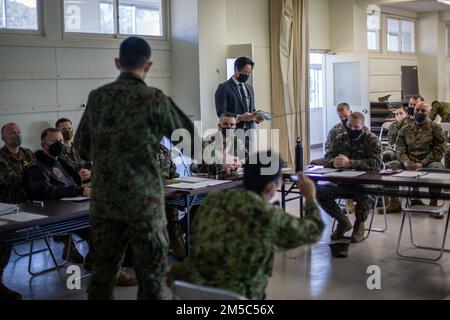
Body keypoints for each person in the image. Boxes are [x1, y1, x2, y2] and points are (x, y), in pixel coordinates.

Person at [74, 36, 195, 300]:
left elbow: (81, 148)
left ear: (118, 62)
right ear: (148, 65)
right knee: (151, 278)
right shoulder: (154, 99)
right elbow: (188, 139)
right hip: (144, 203)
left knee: (103, 275)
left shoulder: (97, 98)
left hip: (106, 202)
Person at [167, 153, 324, 300]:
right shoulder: (267, 215)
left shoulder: (212, 199)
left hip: (191, 289)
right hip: (236, 295)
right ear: (271, 188)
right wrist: (310, 198)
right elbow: (314, 230)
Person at [22, 128, 92, 264]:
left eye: (60, 141)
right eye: (54, 141)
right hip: (53, 216)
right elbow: (46, 191)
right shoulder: (35, 168)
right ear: (43, 145)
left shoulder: (60, 162)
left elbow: (70, 184)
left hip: (72, 211)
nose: (59, 144)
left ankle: (96, 263)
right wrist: (78, 190)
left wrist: (83, 187)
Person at [317, 112, 382, 243]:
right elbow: (327, 157)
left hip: (365, 181)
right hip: (343, 181)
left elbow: (376, 163)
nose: (352, 130)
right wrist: (332, 163)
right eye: (349, 126)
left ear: (363, 127)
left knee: (365, 193)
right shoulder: (340, 138)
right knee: (321, 192)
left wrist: (351, 163)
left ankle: (359, 224)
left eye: (356, 127)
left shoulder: (372, 140)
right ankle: (343, 221)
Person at [385, 102, 447, 218]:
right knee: (389, 167)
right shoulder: (405, 129)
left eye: (423, 111)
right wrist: (406, 162)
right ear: (413, 111)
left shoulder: (435, 128)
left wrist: (423, 163)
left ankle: (433, 204)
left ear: (428, 113)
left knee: (438, 168)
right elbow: (399, 148)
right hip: (408, 162)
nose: (419, 113)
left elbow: (440, 149)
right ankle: (394, 202)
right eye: (417, 110)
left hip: (428, 162)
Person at [0, 123, 34, 300]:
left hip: (33, 204)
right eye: (12, 133)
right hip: (9, 208)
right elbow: (10, 180)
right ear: (3, 137)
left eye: (19, 132)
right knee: (4, 239)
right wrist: (33, 178)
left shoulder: (28, 153)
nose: (17, 135)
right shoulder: (1, 157)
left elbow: (41, 174)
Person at [215, 57, 264, 152]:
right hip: (233, 134)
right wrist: (239, 117)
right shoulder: (224, 88)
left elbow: (252, 110)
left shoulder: (250, 88)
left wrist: (256, 116)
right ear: (236, 69)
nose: (246, 75)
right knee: (235, 163)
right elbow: (221, 112)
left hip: (250, 134)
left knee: (250, 163)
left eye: (249, 73)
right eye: (244, 72)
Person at [191, 112, 245, 179]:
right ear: (219, 126)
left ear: (235, 127)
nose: (229, 127)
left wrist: (238, 163)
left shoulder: (237, 142)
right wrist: (223, 165)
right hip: (210, 177)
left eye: (232, 125)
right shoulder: (209, 140)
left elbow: (245, 158)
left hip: (230, 176)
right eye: (225, 124)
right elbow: (205, 163)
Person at [157, 144, 186, 261]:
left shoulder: (164, 150)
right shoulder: (136, 150)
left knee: (173, 223)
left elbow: (173, 173)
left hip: (168, 195)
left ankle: (181, 255)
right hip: (146, 197)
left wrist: (177, 185)